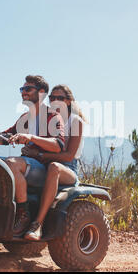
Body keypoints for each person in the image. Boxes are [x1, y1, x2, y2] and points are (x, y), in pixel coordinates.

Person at [0, 75, 66, 236]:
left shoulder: (52, 116)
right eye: (22, 89)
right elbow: (3, 139)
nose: (23, 92)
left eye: (28, 89)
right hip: (28, 164)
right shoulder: (25, 119)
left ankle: (23, 213)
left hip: (43, 167)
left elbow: (58, 146)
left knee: (11, 163)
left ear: (42, 92)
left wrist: (30, 137)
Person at [21, 84, 86, 241]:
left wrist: (40, 154)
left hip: (67, 169)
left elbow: (69, 156)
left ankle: (38, 224)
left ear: (69, 102)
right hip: (44, 163)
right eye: (52, 98)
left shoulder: (75, 121)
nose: (55, 101)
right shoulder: (48, 120)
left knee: (54, 167)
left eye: (60, 98)